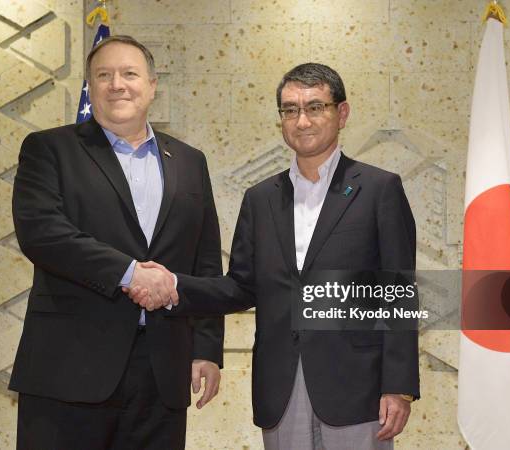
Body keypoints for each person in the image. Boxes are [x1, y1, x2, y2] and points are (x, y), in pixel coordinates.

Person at [129, 63, 419, 450]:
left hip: (358, 387)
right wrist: (175, 285)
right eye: (290, 110)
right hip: (281, 385)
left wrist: (398, 386)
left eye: (316, 107)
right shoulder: (261, 198)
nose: (302, 121)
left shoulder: (379, 189)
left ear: (342, 113)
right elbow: (241, 286)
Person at [9, 35, 224, 450]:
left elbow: (205, 261)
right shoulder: (49, 149)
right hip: (68, 370)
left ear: (152, 85)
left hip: (163, 372)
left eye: (129, 73)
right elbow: (42, 233)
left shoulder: (190, 161)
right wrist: (130, 274)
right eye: (103, 76)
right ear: (90, 87)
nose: (116, 84)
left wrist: (208, 348)